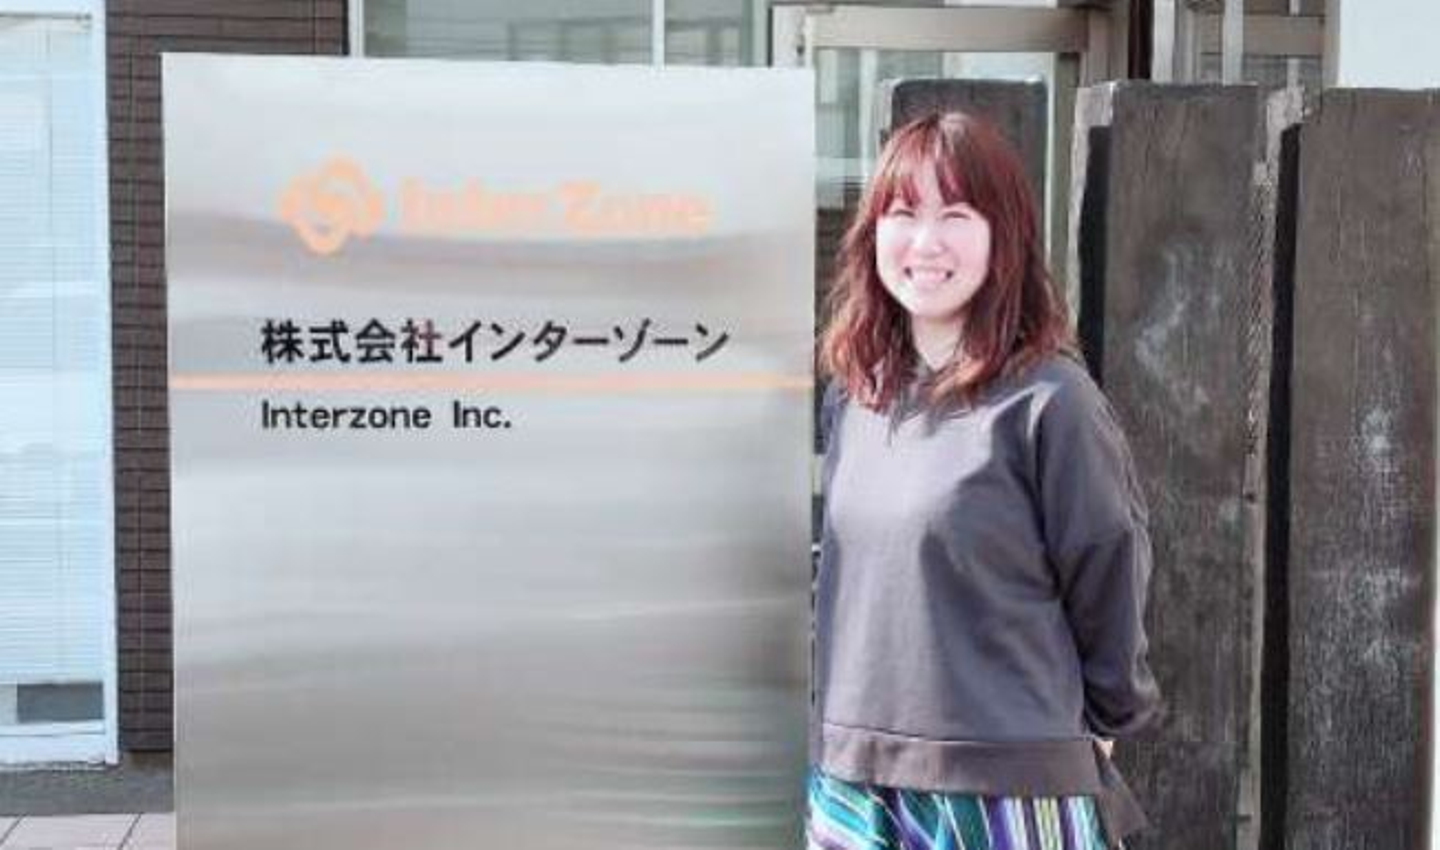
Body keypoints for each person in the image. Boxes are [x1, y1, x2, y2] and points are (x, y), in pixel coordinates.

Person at [809, 111, 1162, 850]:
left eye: (956, 216)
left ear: (1005, 236)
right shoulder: (857, 395)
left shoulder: (1050, 402)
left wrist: (1106, 722)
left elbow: (1108, 566)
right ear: (872, 233)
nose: (925, 242)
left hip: (1006, 780)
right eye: (903, 214)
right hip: (853, 772)